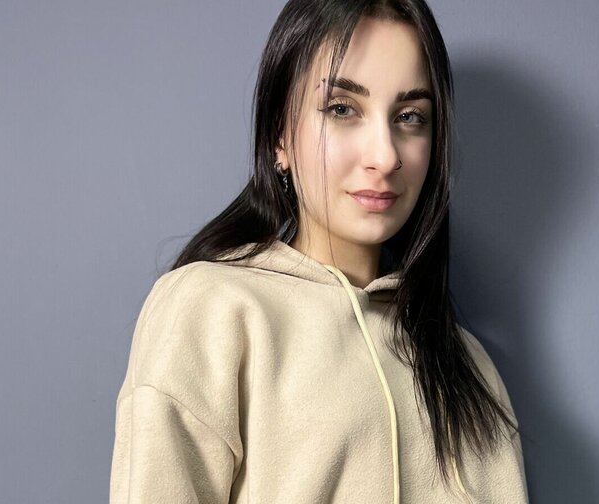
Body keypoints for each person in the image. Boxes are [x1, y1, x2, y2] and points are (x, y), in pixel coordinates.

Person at [109, 0, 529, 502]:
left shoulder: (468, 366)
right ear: (279, 136)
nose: (385, 156)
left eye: (410, 116)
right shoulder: (210, 310)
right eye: (342, 109)